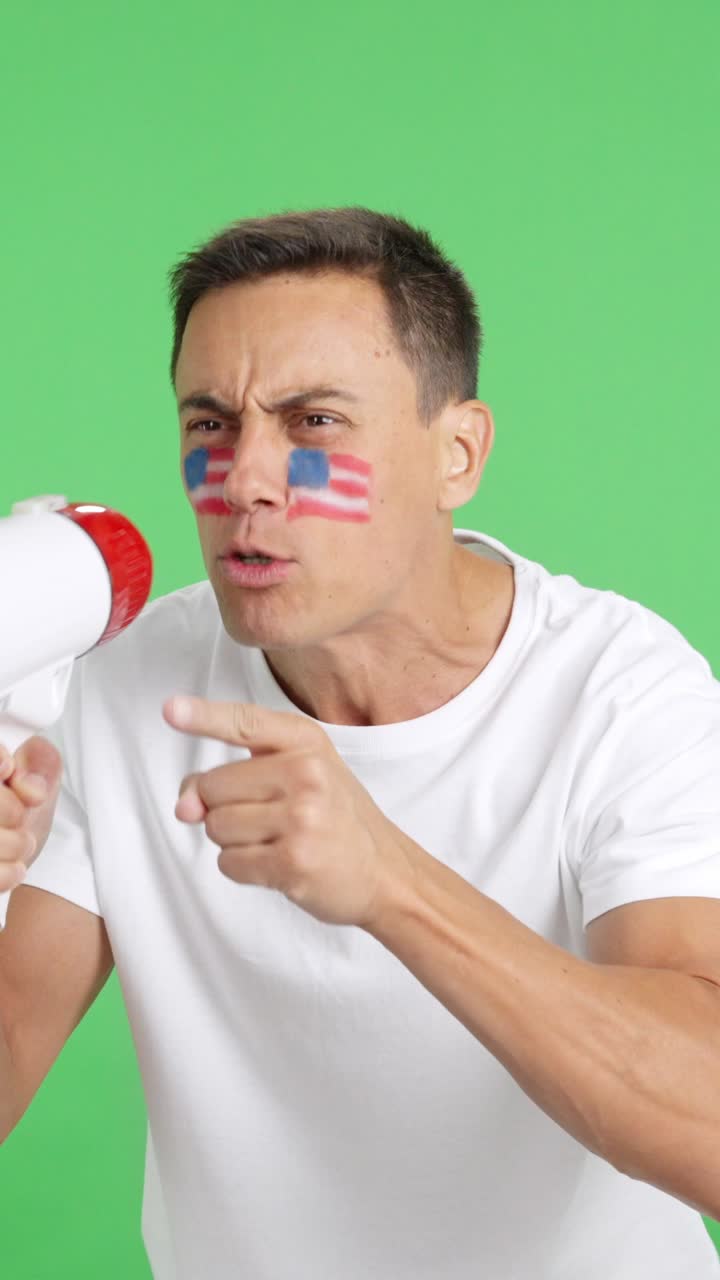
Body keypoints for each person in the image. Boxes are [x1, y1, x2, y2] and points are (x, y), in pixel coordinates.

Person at [1, 206, 719, 1280]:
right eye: (210, 423)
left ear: (458, 452)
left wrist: (390, 880)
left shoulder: (621, 690)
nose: (244, 478)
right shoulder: (116, 685)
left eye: (315, 422)